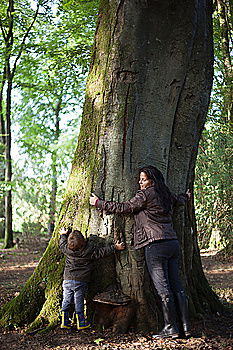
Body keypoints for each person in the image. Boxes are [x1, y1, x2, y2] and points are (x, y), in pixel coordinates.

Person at [89, 165, 191, 339]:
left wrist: (99, 203)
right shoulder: (165, 193)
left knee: (163, 288)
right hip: (172, 244)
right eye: (140, 179)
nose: (140, 182)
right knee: (177, 286)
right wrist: (186, 196)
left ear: (152, 180)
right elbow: (179, 200)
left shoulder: (145, 194)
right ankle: (185, 326)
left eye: (143, 179)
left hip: (155, 245)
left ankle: (170, 328)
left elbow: (126, 207)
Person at [59, 227, 125, 330]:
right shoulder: (88, 251)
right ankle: (81, 323)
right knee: (79, 301)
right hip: (81, 281)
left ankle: (64, 321)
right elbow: (102, 252)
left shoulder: (66, 249)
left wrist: (63, 234)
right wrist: (115, 247)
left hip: (67, 280)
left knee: (66, 300)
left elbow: (62, 244)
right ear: (83, 242)